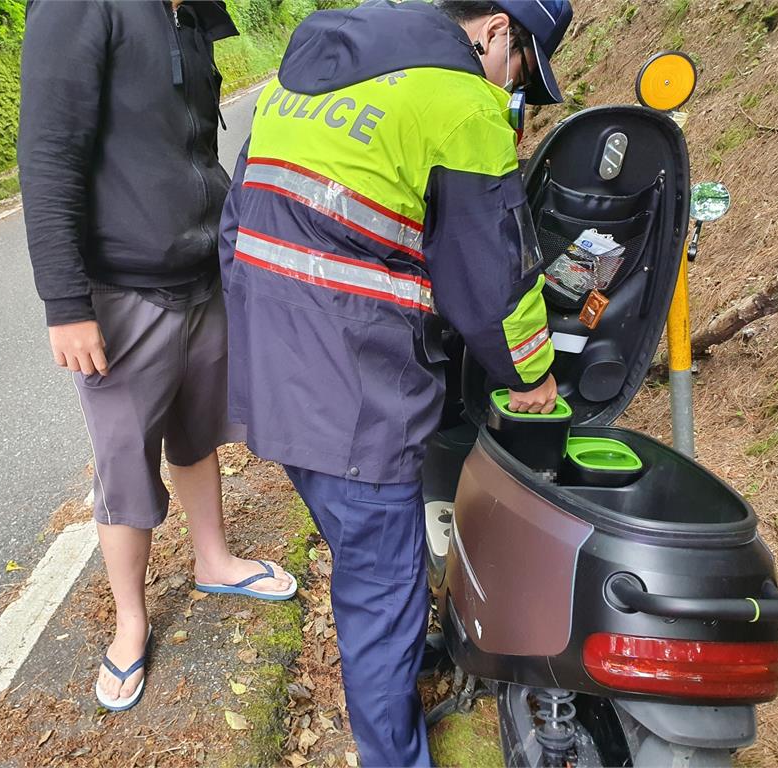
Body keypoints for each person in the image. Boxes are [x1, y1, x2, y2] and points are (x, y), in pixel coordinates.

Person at [219, 0, 572, 763]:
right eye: (522, 76)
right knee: (379, 591)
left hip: (270, 370)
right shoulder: (458, 102)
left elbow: (235, 220)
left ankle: (410, 656)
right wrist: (534, 375)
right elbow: (494, 280)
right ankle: (393, 751)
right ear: (499, 32)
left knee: (373, 552)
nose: (515, 93)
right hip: (353, 396)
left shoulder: (305, 73)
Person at [17, 0, 296, 714]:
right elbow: (48, 152)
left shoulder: (191, 12)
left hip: (203, 274)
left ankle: (215, 560)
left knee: (197, 434)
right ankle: (131, 623)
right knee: (123, 463)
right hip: (120, 290)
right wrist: (66, 304)